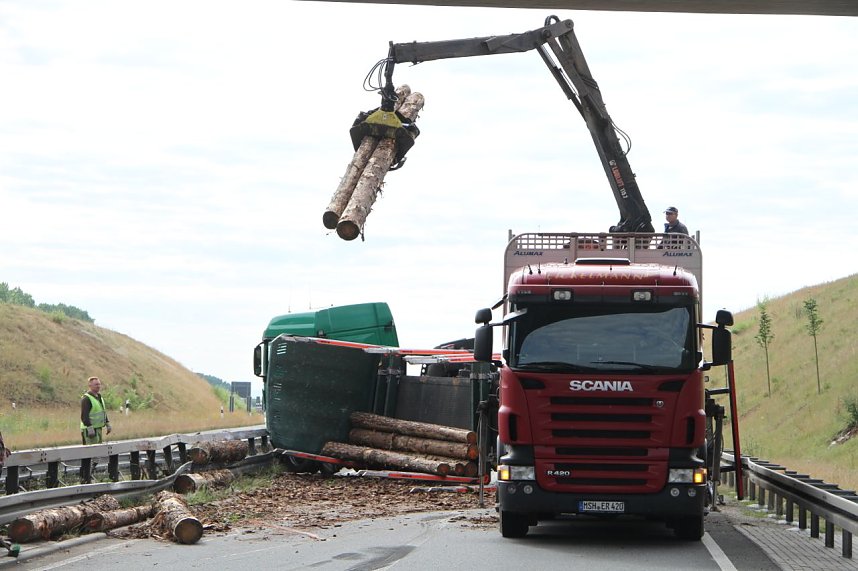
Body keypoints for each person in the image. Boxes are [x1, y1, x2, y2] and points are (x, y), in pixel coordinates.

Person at [80, 376, 111, 445]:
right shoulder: (86, 399)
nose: (98, 386)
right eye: (96, 384)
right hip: (89, 430)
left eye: (99, 384)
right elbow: (84, 416)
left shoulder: (99, 397)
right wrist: (89, 427)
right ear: (90, 385)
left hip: (98, 428)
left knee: (98, 450)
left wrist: (107, 423)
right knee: (91, 451)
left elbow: (102, 412)